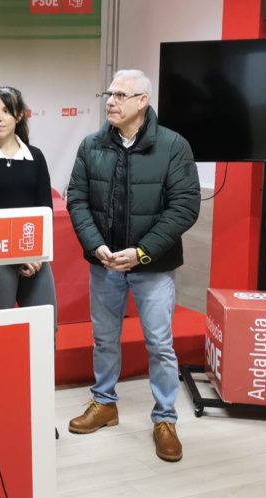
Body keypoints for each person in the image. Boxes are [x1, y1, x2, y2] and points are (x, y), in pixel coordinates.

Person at [65, 69, 200, 462]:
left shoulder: (174, 146)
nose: (111, 100)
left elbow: (184, 207)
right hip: (105, 264)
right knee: (104, 339)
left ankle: (165, 419)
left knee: (160, 343)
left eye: (121, 95)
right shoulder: (91, 145)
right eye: (109, 93)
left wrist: (141, 253)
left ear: (143, 101)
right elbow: (77, 199)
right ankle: (104, 404)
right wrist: (97, 246)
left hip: (153, 268)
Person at [0, 86, 57, 323]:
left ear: (18, 116)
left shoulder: (35, 156)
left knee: (45, 328)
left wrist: (33, 255)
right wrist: (19, 255)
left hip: (34, 258)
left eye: (6, 110)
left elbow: (44, 211)